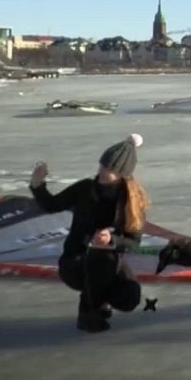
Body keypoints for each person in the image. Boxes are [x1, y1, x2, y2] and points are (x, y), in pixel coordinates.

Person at [30, 133, 150, 333]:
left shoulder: (132, 203)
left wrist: (112, 239)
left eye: (110, 169)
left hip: (112, 265)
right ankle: (88, 313)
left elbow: (134, 243)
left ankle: (100, 300)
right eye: (102, 165)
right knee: (101, 257)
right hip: (74, 263)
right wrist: (37, 185)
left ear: (122, 174)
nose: (103, 171)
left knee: (129, 297)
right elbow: (52, 205)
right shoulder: (85, 188)